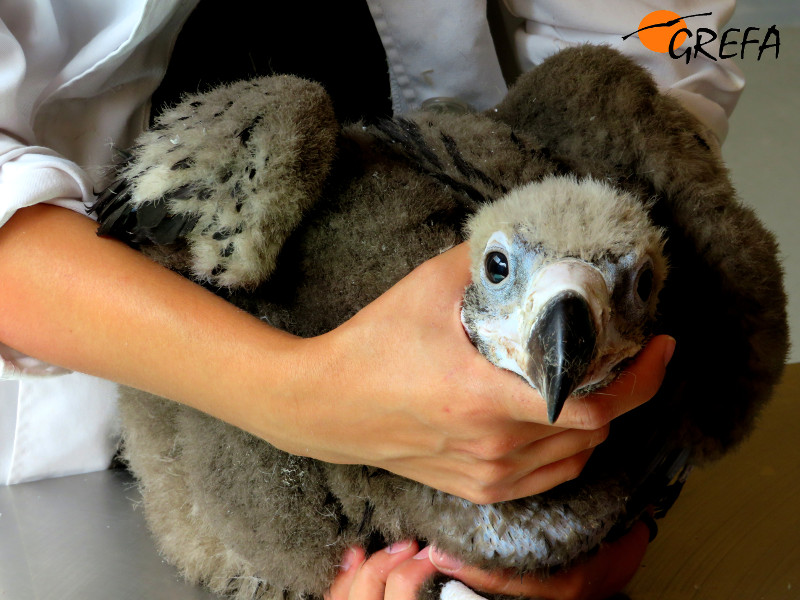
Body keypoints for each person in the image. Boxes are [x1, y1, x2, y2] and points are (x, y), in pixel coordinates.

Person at [0, 1, 742, 598]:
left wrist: (615, 523)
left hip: (497, 403)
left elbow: (650, 50)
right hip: (80, 460)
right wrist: (292, 394)